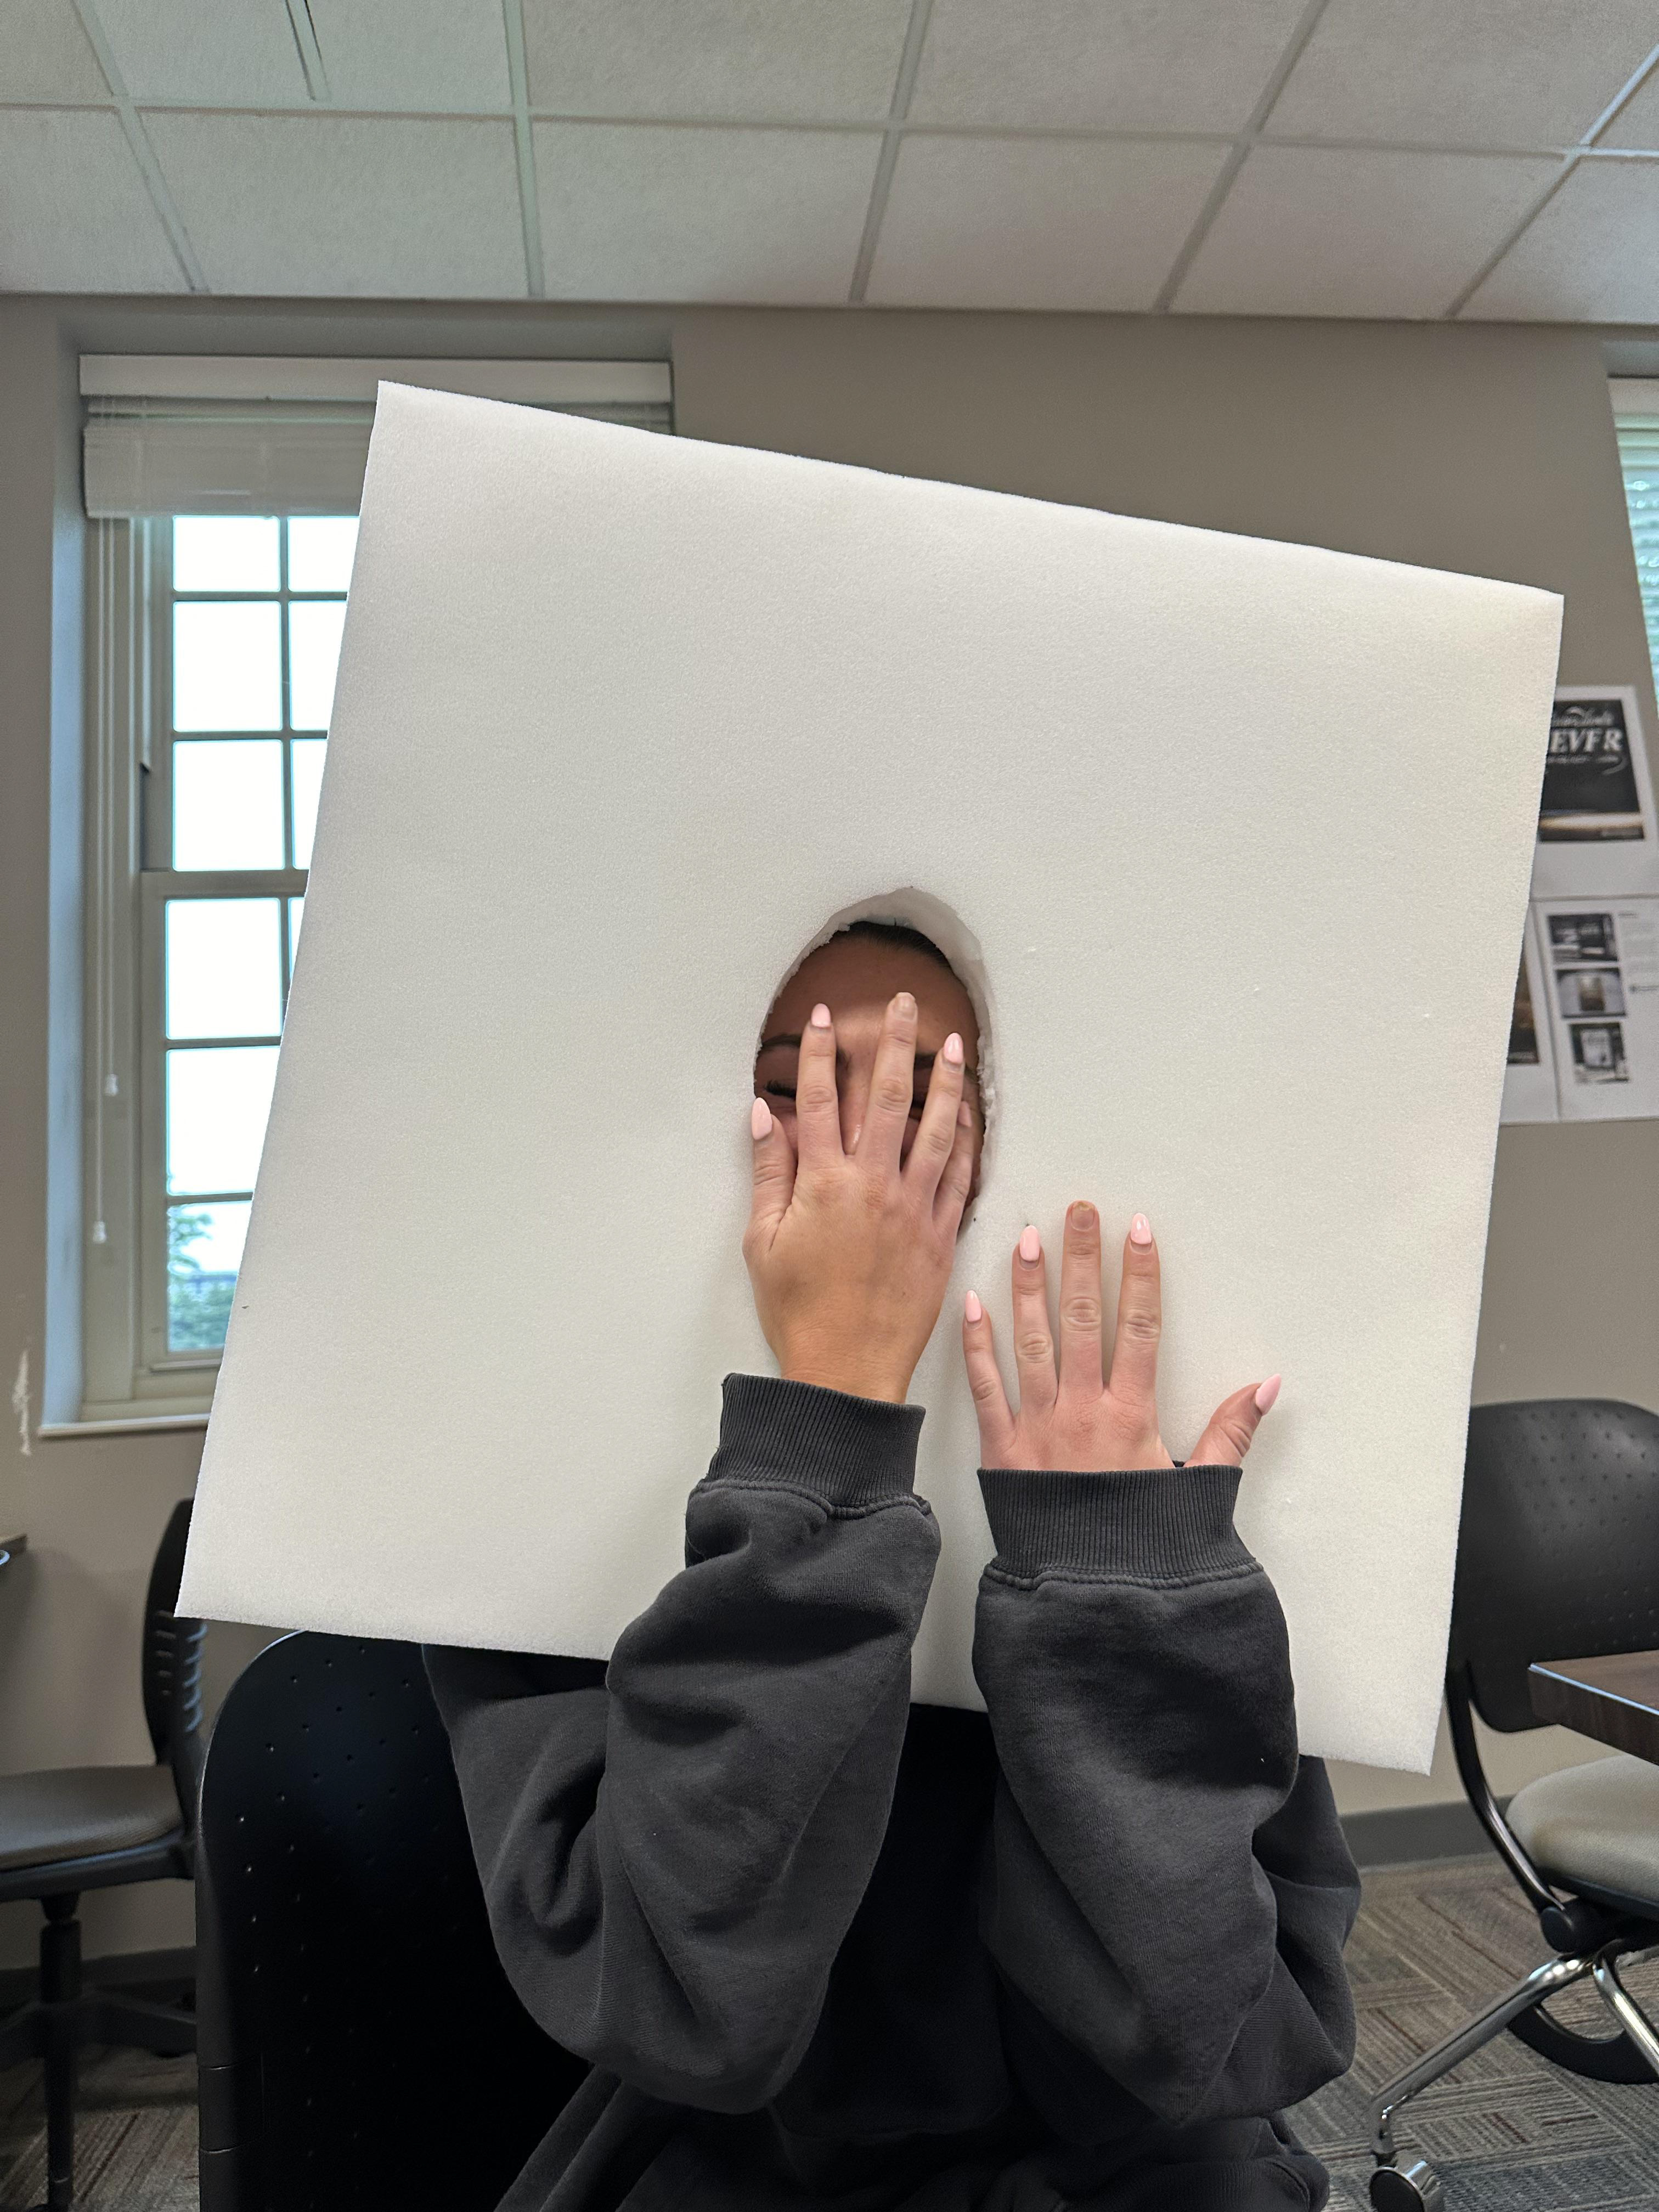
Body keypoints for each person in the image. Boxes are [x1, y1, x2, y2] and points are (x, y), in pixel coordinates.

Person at [424, 920, 1361, 2211]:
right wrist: (826, 1415)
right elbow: (691, 2013)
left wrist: (1117, 1587)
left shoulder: (1187, 1511)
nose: (866, 1178)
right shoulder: (516, 1498)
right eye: (789, 1091)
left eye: (933, 1108)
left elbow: (1228, 2045)